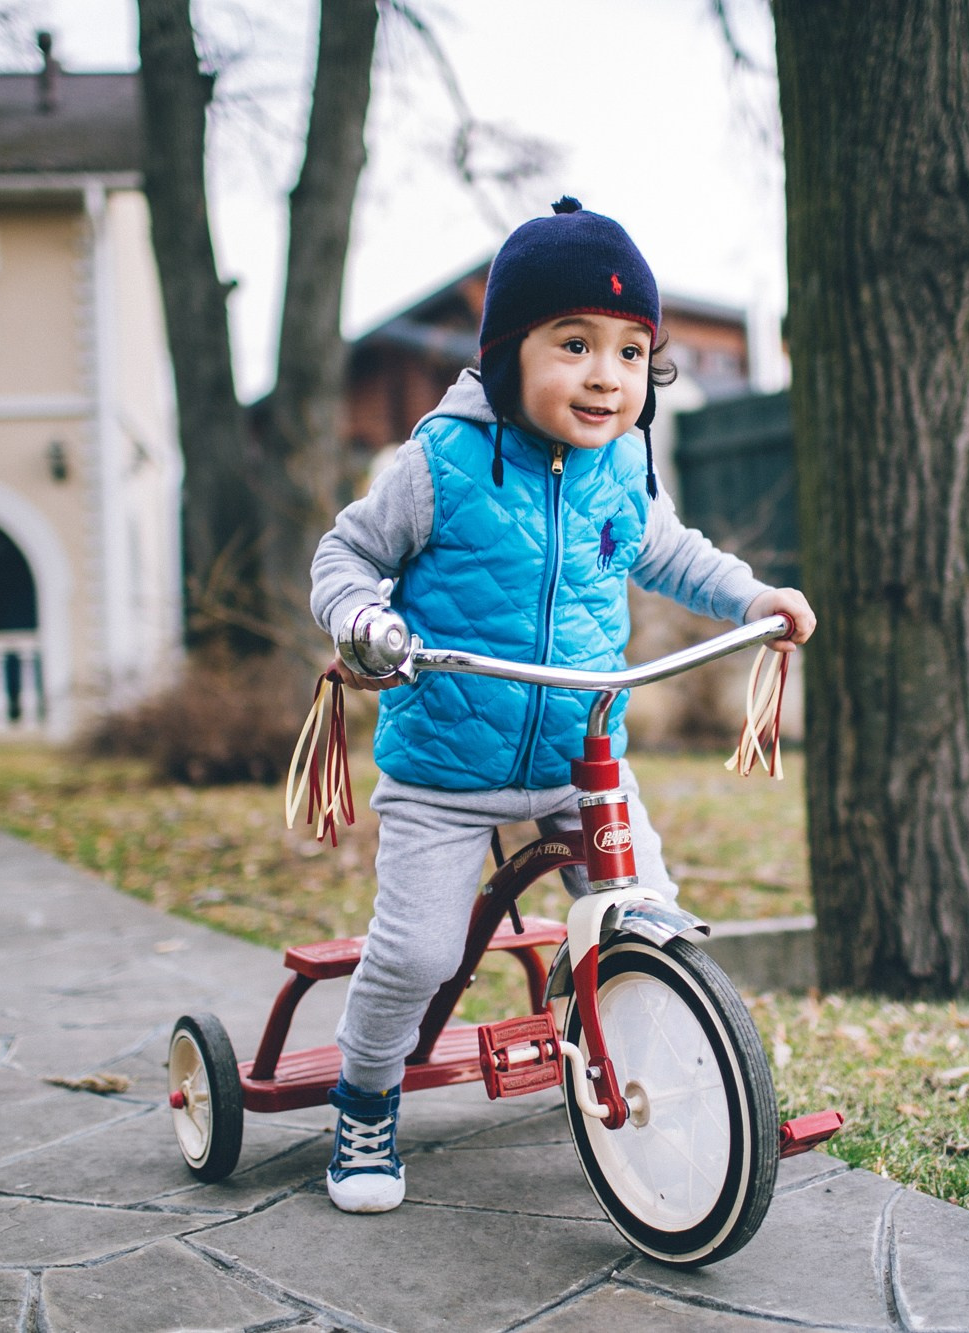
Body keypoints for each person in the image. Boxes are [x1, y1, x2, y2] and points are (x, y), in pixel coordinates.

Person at [307, 197, 816, 1213]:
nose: (604, 375)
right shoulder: (438, 462)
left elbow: (668, 552)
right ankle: (363, 1099)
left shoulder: (622, 465)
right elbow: (344, 555)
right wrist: (364, 619)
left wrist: (753, 595)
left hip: (579, 754)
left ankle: (650, 1065)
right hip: (447, 766)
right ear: (504, 353)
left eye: (631, 353)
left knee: (650, 916)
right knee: (412, 954)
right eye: (573, 344)